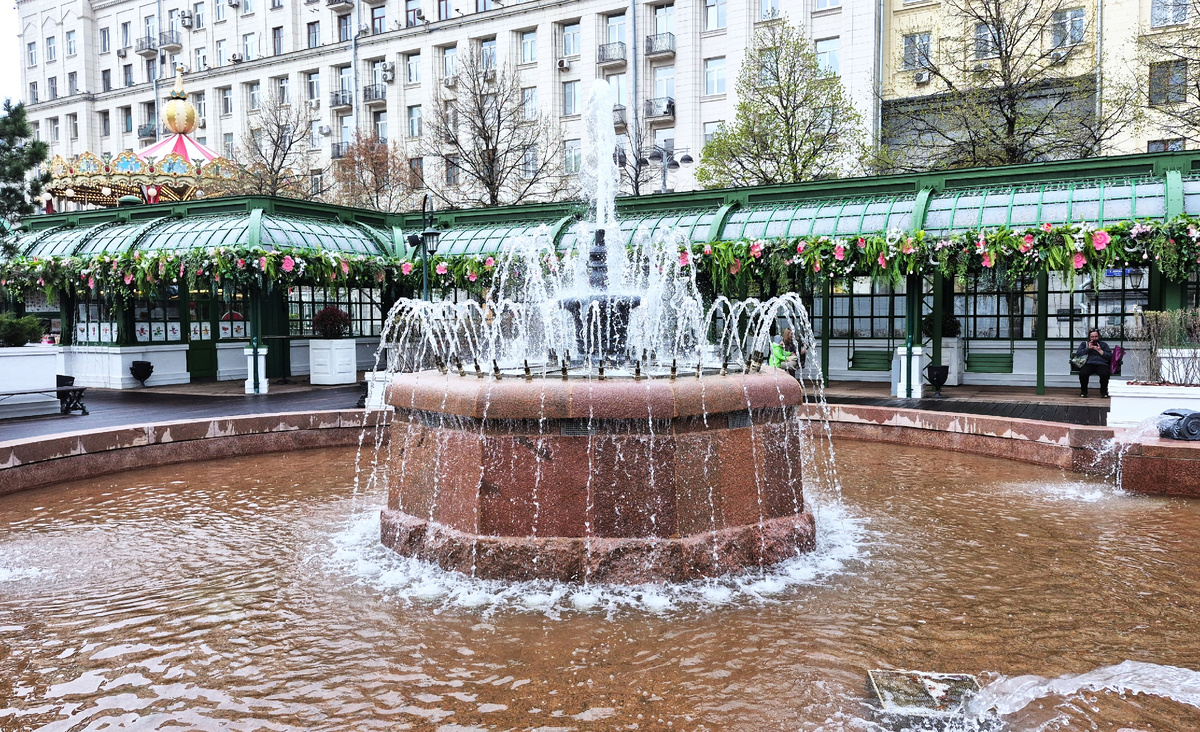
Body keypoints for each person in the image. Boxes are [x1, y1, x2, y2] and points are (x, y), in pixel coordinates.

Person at [1076, 329, 1113, 398]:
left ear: (1098, 336)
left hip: (1101, 364)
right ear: (1089, 337)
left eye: (1096, 336)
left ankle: (1104, 391)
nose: (1094, 338)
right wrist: (1088, 349)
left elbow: (1110, 356)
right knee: (1083, 373)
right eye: (1092, 337)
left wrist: (1100, 350)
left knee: (1105, 373)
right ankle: (1084, 391)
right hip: (1088, 363)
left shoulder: (1103, 345)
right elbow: (1078, 354)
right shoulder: (1085, 344)